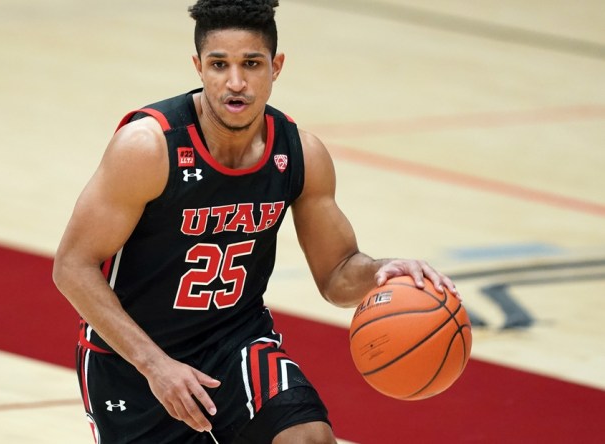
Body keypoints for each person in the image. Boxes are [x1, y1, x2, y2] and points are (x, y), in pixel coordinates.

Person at [53, 0, 457, 442]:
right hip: (131, 358)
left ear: (276, 66)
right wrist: (156, 365)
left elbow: (337, 273)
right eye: (219, 65)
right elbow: (72, 266)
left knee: (308, 437)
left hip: (236, 341)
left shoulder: (300, 153)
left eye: (251, 64)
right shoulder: (148, 147)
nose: (236, 82)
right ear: (198, 67)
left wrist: (381, 272)